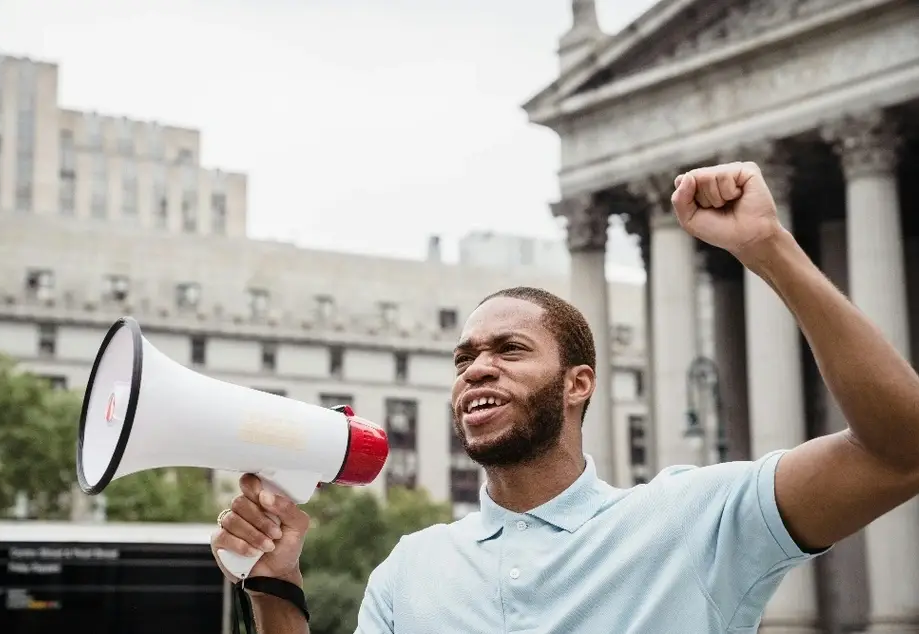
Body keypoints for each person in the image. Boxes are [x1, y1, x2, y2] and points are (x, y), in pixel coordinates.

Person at [211, 162, 919, 633]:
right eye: (464, 358)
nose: (476, 370)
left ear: (577, 383)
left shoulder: (696, 522)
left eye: (508, 350)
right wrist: (276, 588)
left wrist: (767, 246)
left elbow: (899, 451)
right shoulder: (410, 569)